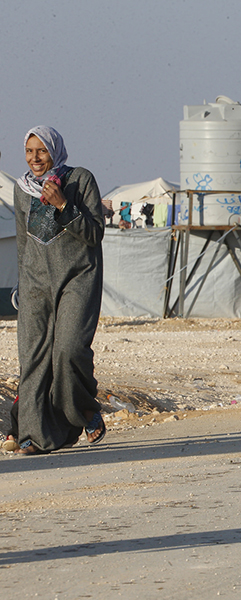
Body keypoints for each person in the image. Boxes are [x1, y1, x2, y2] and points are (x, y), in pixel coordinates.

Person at [10, 126, 107, 455]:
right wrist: (23, 288)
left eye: (42, 151)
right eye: (29, 151)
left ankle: (85, 410)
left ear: (55, 150)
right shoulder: (21, 190)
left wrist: (64, 204)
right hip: (36, 282)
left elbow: (94, 234)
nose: (35, 159)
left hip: (78, 277)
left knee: (68, 351)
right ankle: (34, 435)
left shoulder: (79, 180)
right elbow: (25, 244)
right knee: (33, 359)